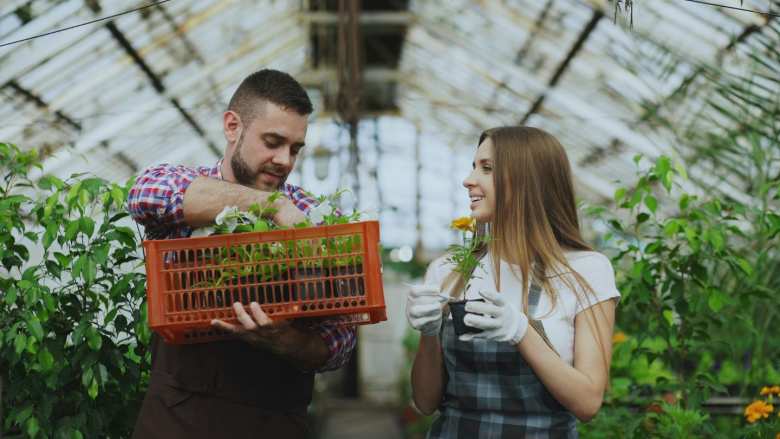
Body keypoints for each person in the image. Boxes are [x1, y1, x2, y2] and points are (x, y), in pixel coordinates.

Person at [128, 69, 356, 439]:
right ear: (233, 126)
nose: (285, 160)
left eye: (295, 148)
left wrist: (289, 341)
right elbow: (144, 193)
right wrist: (270, 206)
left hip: (275, 421)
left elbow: (341, 337)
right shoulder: (185, 185)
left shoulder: (312, 216)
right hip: (178, 418)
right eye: (273, 141)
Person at [406, 126, 620, 438]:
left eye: (487, 168)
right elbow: (425, 402)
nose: (468, 180)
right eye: (473, 166)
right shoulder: (449, 272)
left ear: (527, 182)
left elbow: (588, 402)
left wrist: (521, 332)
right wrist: (427, 334)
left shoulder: (586, 271)